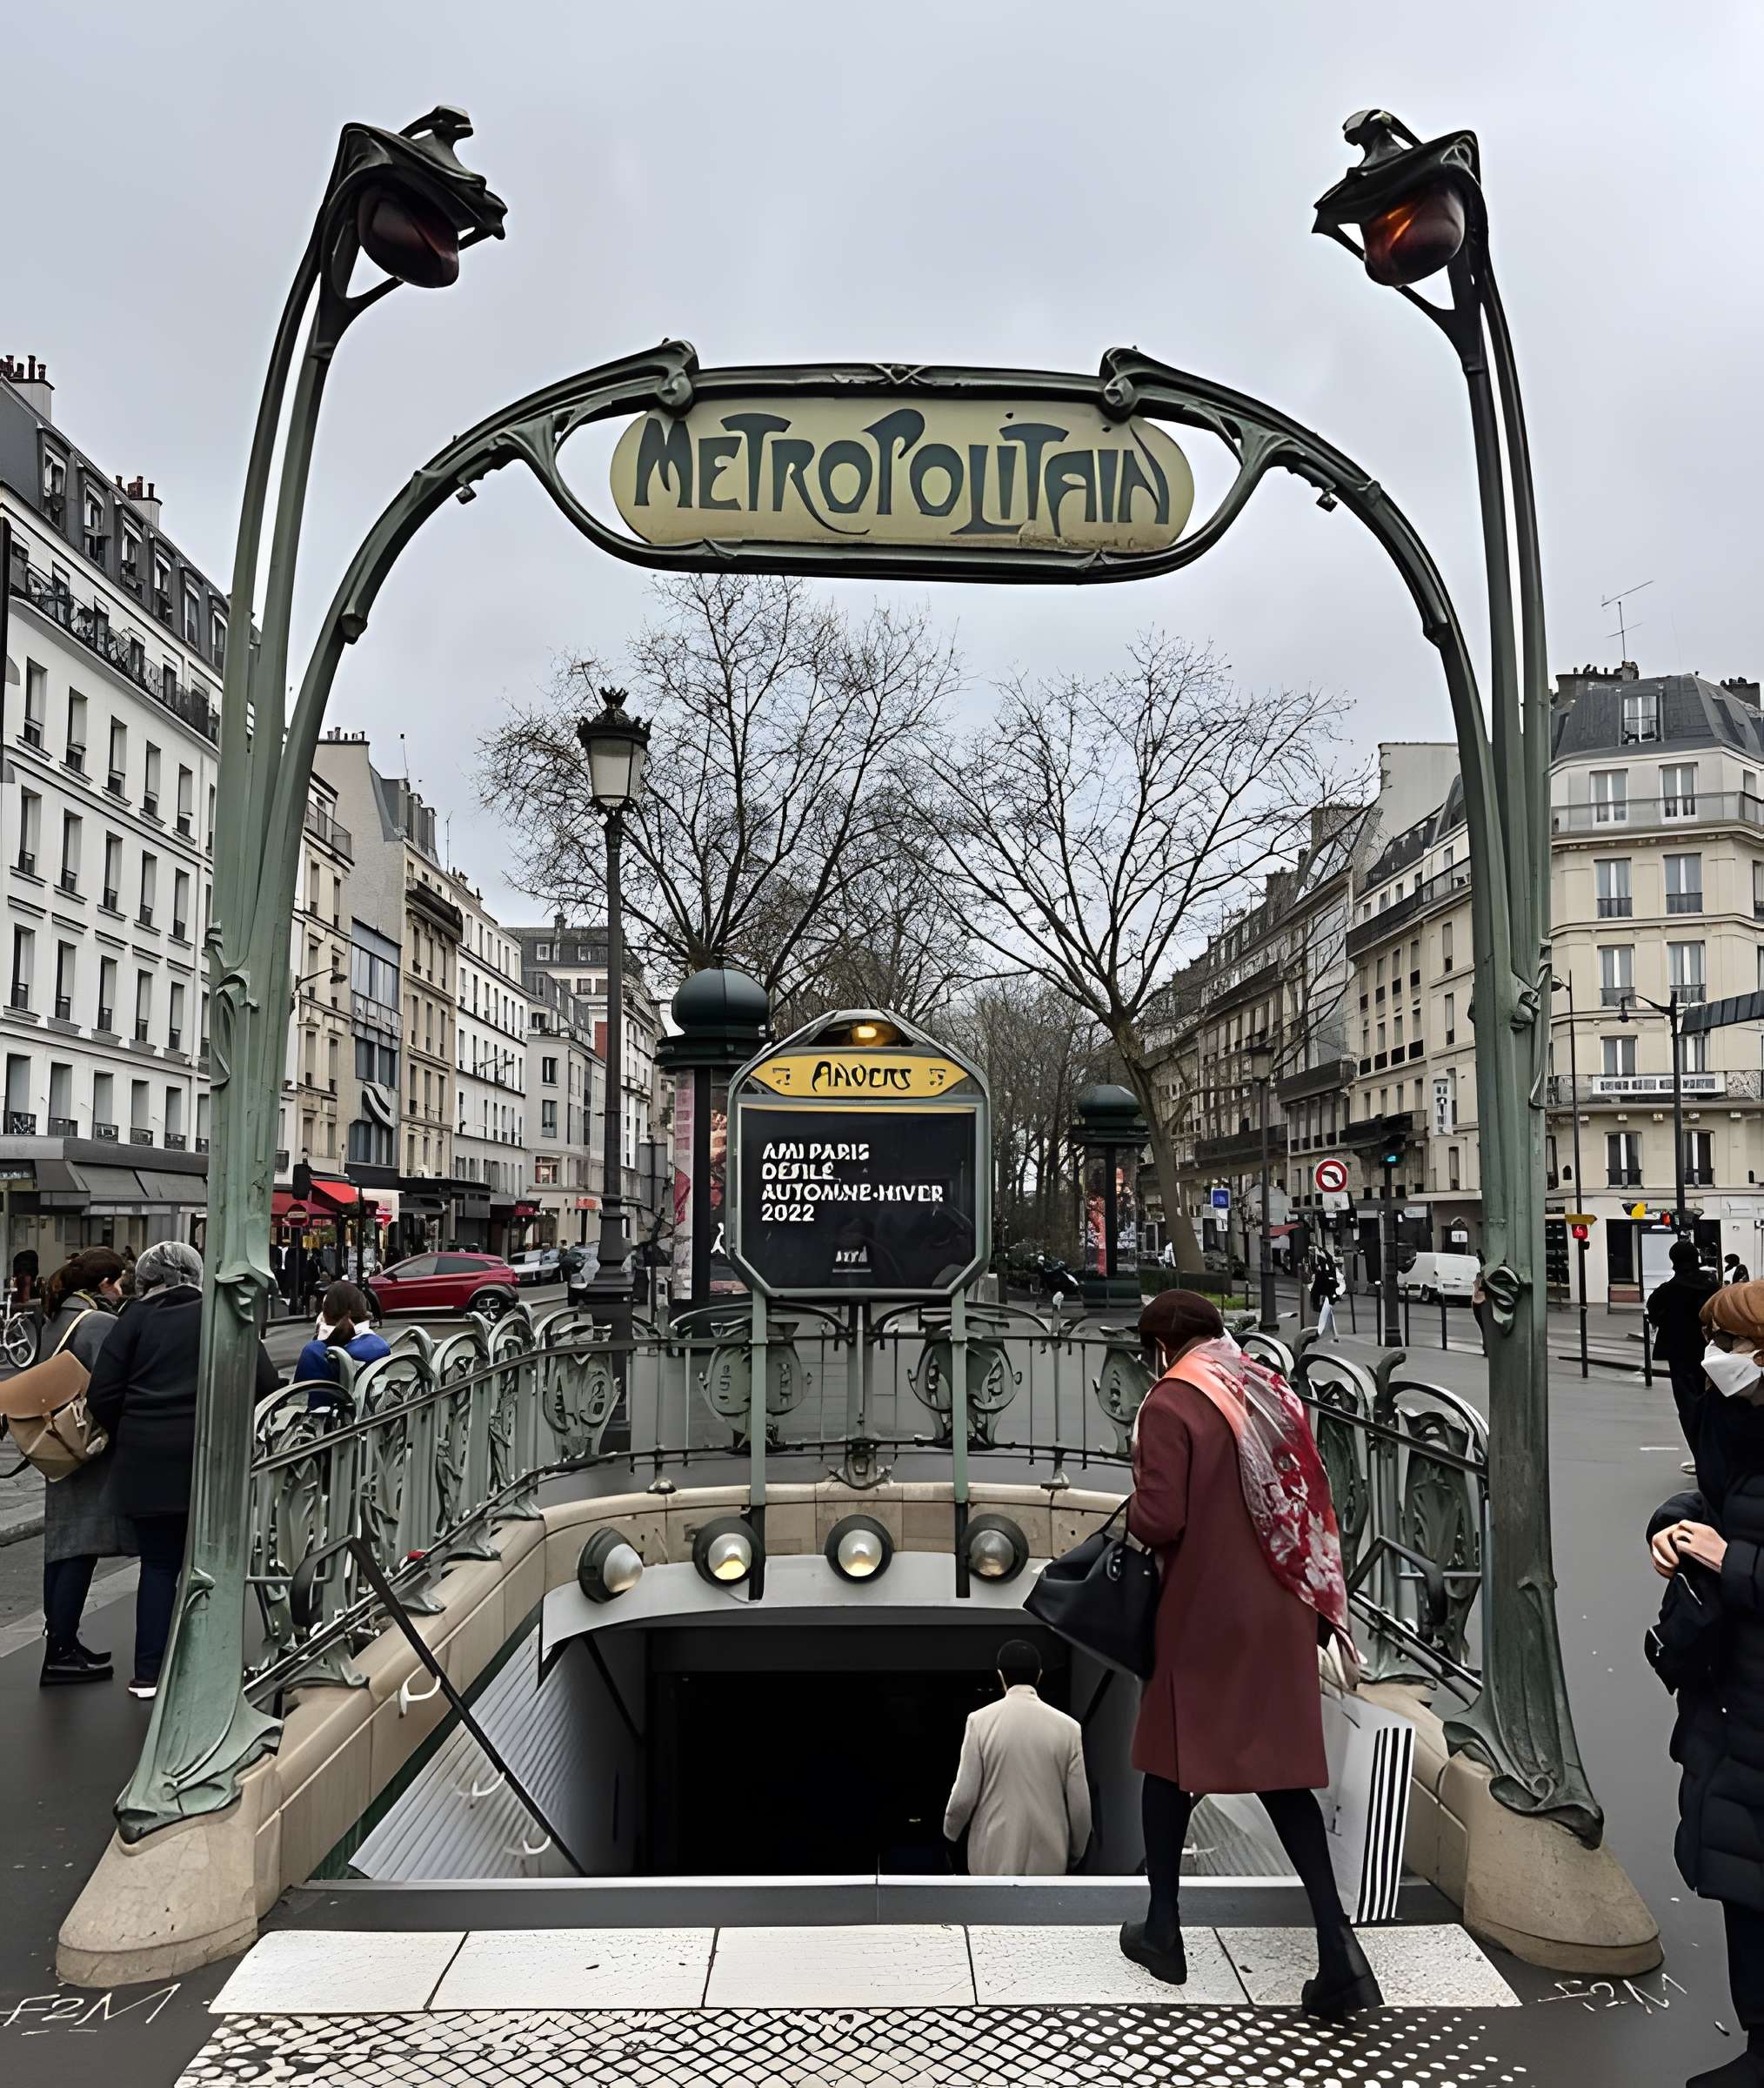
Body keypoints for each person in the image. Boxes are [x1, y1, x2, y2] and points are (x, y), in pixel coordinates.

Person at [1122, 1288, 1380, 2020]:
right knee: (1282, 1776)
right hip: (1283, 1602)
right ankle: (1339, 1953)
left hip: (1206, 1611)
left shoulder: (1172, 1404)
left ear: (1162, 1349)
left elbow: (1159, 1517)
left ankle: (1164, 1931)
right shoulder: (1266, 1389)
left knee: (1166, 1763)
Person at [1648, 1276, 1764, 2087]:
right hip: (1735, 1695)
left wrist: (1737, 1563)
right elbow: (1724, 1504)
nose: (1717, 1358)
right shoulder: (1741, 1422)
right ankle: (1759, 2049)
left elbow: (1743, 1539)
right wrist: (1673, 1525)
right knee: (1742, 1883)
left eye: (1730, 1344)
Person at [87, 1241, 279, 1700]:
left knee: (158, 1566)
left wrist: (131, 1430)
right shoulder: (221, 1315)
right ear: (196, 1275)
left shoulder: (132, 1319)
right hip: (212, 1460)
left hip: (147, 1461)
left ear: (147, 1279)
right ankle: (210, 1663)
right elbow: (266, 1385)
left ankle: (148, 1674)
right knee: (217, 1562)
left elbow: (102, 1394)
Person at [9, 1248, 130, 1685]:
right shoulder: (98, 1323)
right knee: (81, 1547)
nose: (120, 1291)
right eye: (117, 1282)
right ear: (102, 1285)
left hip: (57, 1445)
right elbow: (113, 1386)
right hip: (88, 1449)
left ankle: (62, 1641)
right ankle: (61, 1651)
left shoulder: (54, 1316)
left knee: (61, 1547)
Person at [943, 1639, 1092, 1876]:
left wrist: (950, 1835)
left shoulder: (979, 1722)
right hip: (1050, 1863)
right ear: (1039, 1675)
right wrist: (1075, 1852)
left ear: (1001, 1676)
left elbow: (963, 1798)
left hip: (990, 1861)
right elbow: (1080, 1808)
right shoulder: (1069, 1728)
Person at [1650, 1238, 1722, 1459]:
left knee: (1688, 1407)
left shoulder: (1667, 1292)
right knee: (1714, 1403)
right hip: (1711, 1352)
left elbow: (1653, 1313)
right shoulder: (1712, 1286)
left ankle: (1700, 1455)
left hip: (1680, 1354)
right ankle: (1716, 1452)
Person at [293, 1281, 391, 1403]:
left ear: (325, 1314)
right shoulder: (381, 1346)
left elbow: (297, 1401)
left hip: (334, 1419)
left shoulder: (316, 1353)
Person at [1309, 1249, 1340, 1342]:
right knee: (1327, 1313)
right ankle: (1326, 1334)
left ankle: (1323, 1334)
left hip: (1326, 1292)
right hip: (1327, 1293)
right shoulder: (1325, 1270)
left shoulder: (1322, 1273)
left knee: (1326, 1313)